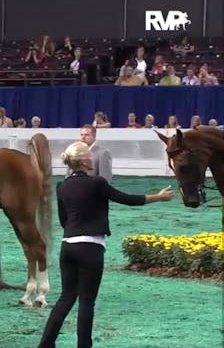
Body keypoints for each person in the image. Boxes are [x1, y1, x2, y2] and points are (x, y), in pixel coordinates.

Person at [38, 141, 173, 348]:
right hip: (90, 246)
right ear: (83, 161)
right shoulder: (97, 183)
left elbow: (64, 219)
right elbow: (127, 199)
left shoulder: (62, 186)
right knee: (87, 301)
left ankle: (46, 343)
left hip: (68, 245)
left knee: (66, 298)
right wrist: (158, 197)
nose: (92, 157)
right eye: (89, 155)